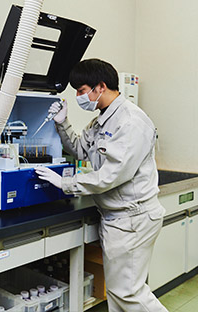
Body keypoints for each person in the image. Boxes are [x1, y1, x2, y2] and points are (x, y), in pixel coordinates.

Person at [35, 59, 168, 312]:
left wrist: (65, 183)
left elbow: (110, 176)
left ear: (101, 87)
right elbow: (79, 149)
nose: (78, 96)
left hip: (132, 219)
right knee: (118, 295)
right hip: (116, 219)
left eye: (81, 90)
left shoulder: (130, 122)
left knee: (129, 293)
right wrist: (62, 123)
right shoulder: (102, 120)